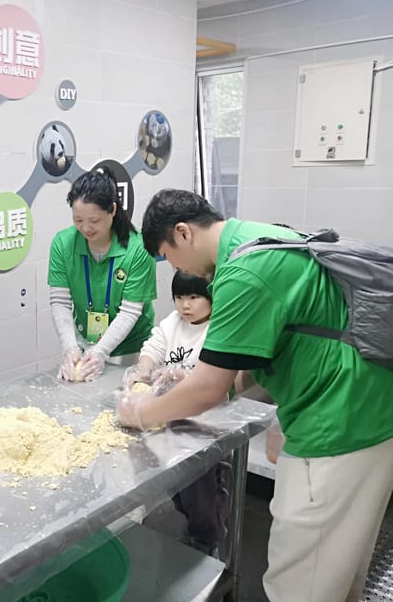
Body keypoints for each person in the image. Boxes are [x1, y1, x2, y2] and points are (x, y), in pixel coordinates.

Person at [122, 188, 393, 602]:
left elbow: (209, 388)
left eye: (167, 256)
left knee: (301, 582)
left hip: (338, 425)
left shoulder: (243, 271)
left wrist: (143, 412)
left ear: (183, 233)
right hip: (372, 413)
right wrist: (194, 386)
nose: (173, 267)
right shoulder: (263, 237)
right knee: (340, 566)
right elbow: (253, 358)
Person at [135, 271, 228, 557]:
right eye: (179, 297)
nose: (185, 305)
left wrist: (180, 375)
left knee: (200, 486)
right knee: (177, 484)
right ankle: (197, 520)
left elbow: (214, 382)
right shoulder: (173, 323)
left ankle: (206, 539)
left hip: (207, 422)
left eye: (194, 297)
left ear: (212, 298)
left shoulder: (219, 329)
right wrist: (142, 371)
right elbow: (153, 347)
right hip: (175, 416)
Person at [48, 166, 157, 382]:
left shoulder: (138, 248)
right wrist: (70, 347)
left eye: (94, 221)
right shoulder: (63, 243)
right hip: (85, 343)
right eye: (78, 220)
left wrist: (101, 352)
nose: (86, 228)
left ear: (113, 210)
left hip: (130, 350)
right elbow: (60, 301)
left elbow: (129, 311)